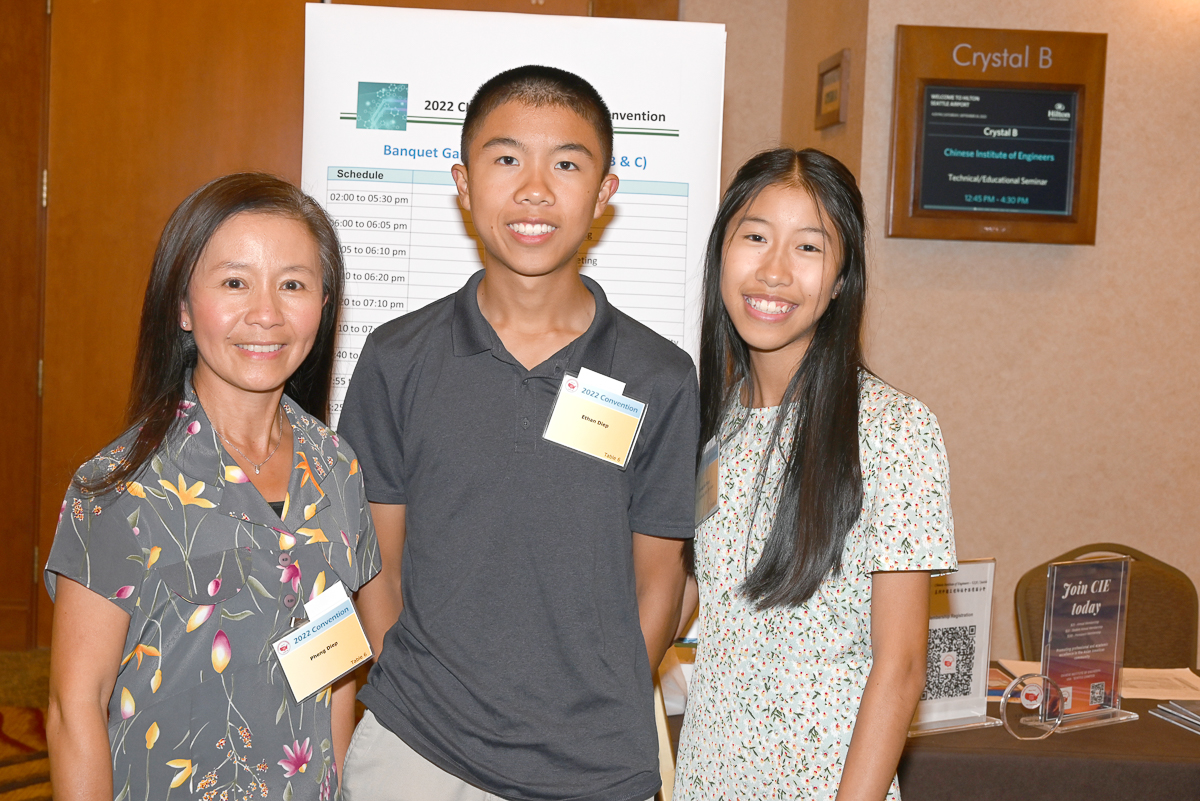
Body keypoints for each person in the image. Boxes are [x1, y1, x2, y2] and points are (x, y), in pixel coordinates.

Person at [337, 65, 699, 801]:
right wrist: (425, 701)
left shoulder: (660, 374)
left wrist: (601, 703)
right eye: (506, 159)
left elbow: (659, 579)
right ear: (464, 184)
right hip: (420, 750)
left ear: (604, 193)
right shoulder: (397, 358)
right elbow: (378, 563)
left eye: (566, 164)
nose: (535, 189)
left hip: (594, 762)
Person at [45, 173, 380, 801]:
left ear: (324, 302)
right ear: (182, 306)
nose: (266, 314)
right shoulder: (120, 487)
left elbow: (332, 672)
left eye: (292, 285)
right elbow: (74, 707)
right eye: (234, 283)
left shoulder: (336, 468)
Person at [673, 148, 956, 801]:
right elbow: (693, 591)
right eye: (754, 237)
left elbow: (902, 665)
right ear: (721, 254)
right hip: (708, 781)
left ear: (839, 280)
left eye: (808, 247)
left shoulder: (894, 430)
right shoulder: (712, 426)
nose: (774, 271)